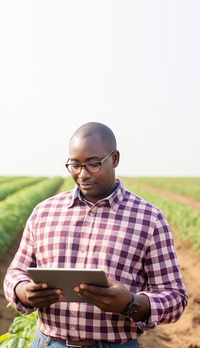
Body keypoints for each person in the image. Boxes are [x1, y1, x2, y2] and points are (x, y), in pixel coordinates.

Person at [4, 122, 188, 348]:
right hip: (49, 342)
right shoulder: (44, 212)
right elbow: (15, 272)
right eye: (75, 165)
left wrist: (131, 303)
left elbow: (175, 297)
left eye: (93, 164)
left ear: (115, 159)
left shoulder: (149, 219)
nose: (82, 174)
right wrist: (23, 291)